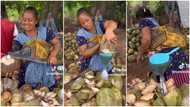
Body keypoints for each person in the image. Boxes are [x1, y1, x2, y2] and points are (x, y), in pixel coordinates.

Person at [136, 7, 189, 86]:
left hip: (167, 58)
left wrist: (140, 53)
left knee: (169, 86)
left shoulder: (143, 21)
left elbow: (146, 39)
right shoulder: (154, 21)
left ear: (139, 17)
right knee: (183, 85)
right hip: (178, 53)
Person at [12, 6, 61, 89]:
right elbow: (16, 58)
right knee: (31, 93)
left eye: (30, 20)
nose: (26, 22)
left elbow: (57, 44)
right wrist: (14, 70)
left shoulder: (45, 32)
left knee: (48, 93)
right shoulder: (18, 39)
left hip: (46, 67)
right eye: (24, 20)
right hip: (28, 71)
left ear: (36, 21)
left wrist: (53, 55)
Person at [76, 8, 117, 74]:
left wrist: (109, 31)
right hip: (90, 65)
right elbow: (85, 54)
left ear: (91, 17)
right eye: (83, 23)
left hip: (104, 61)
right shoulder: (81, 34)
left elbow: (112, 23)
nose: (86, 24)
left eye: (87, 20)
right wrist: (99, 44)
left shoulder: (99, 25)